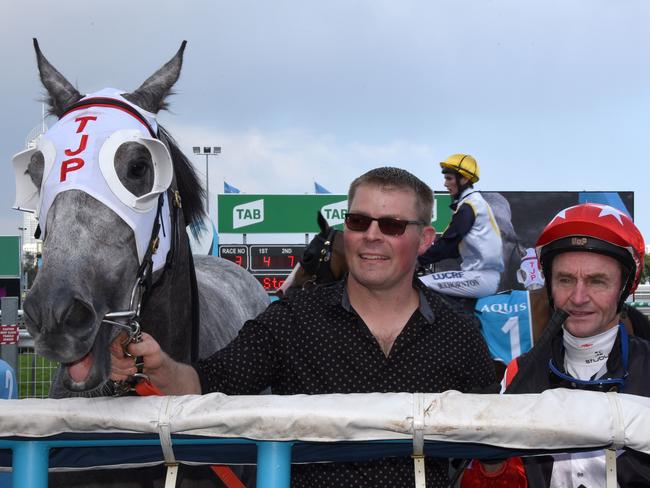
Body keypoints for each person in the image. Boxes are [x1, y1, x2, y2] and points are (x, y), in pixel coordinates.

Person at [111, 167, 496, 487]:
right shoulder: (291, 320)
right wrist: (159, 365)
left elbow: (491, 447)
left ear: (425, 239)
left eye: (392, 225)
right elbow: (205, 383)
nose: (372, 235)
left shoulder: (459, 335)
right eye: (359, 221)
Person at [461, 202, 650, 487]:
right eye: (565, 279)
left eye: (597, 281)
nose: (578, 297)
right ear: (549, 284)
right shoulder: (519, 371)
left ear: (625, 288)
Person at [418, 153, 504, 298]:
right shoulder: (470, 203)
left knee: (419, 284)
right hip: (476, 276)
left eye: (449, 178)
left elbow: (448, 245)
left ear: (464, 179)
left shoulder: (470, 205)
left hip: (480, 278)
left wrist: (417, 260)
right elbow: (453, 251)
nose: (445, 184)